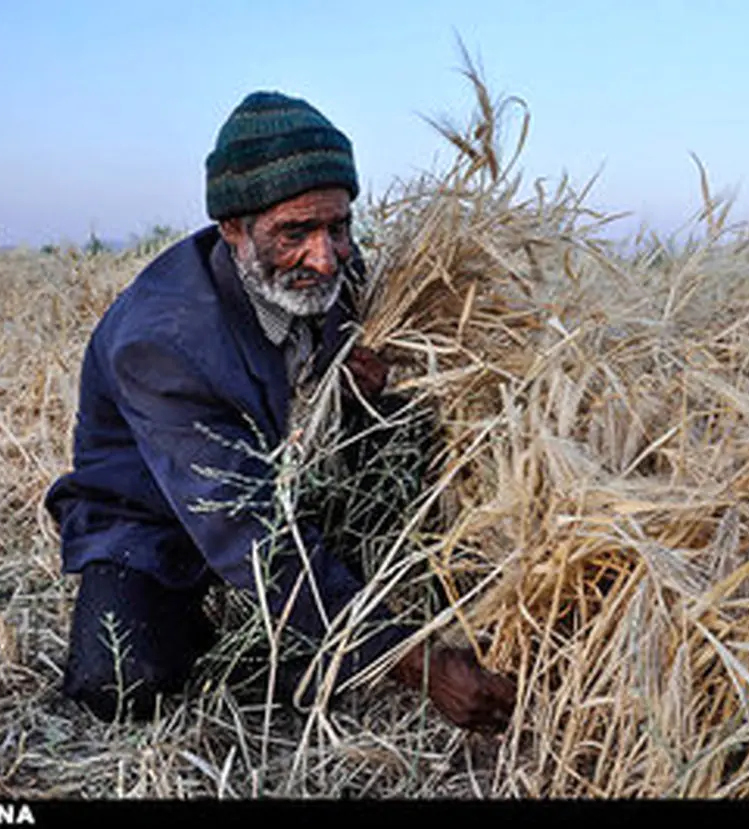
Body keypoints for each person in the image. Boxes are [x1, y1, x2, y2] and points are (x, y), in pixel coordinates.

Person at [44, 91, 515, 730]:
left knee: (408, 427)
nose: (325, 257)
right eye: (296, 232)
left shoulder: (334, 275)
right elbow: (252, 537)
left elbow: (320, 395)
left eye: (338, 227)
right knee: (121, 683)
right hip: (156, 516)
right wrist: (414, 660)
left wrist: (355, 390)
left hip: (282, 476)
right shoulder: (162, 341)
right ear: (233, 228)